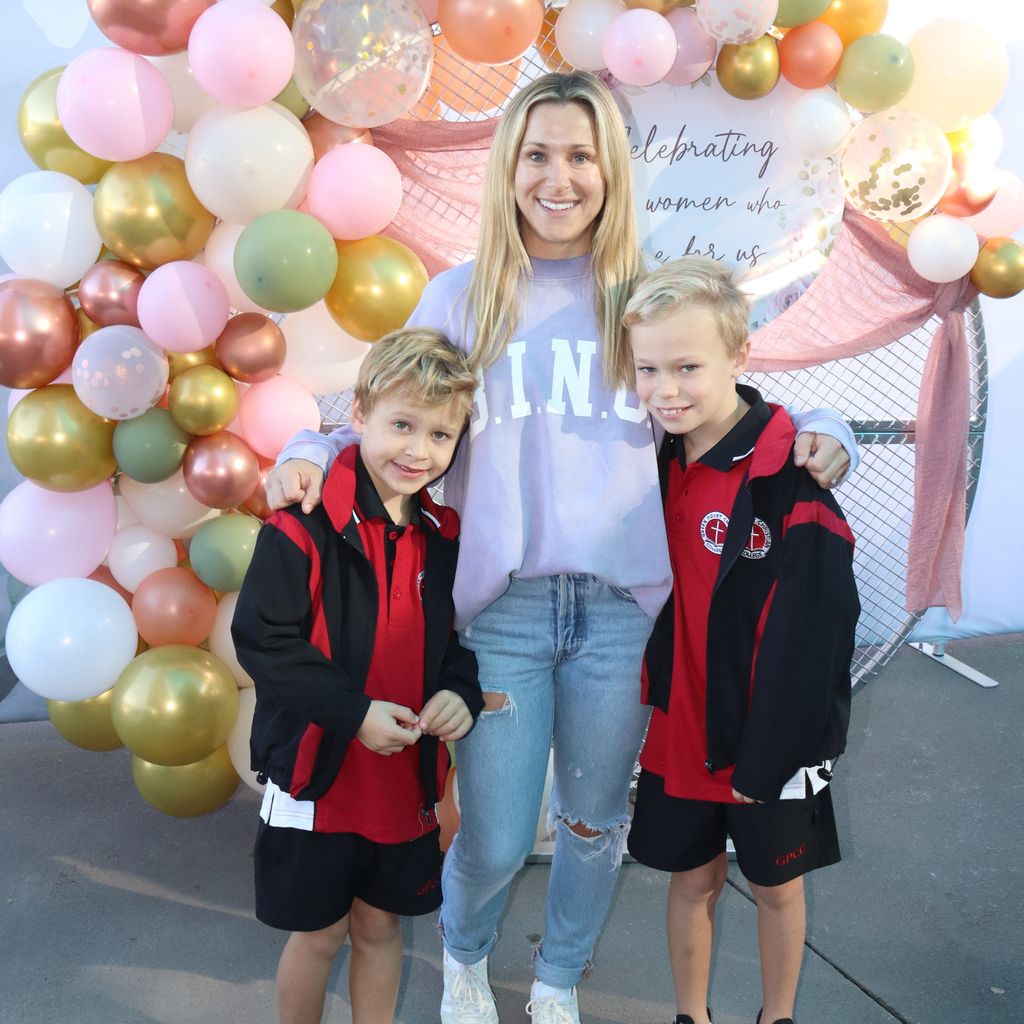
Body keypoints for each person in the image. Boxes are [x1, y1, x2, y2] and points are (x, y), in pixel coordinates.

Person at [264, 72, 857, 1024]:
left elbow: (730, 386)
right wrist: (305, 444)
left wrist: (829, 427)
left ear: (610, 169)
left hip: (621, 615)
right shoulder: (461, 298)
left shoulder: (639, 293)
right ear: (508, 167)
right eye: (537, 154)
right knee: (497, 836)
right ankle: (464, 960)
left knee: (592, 824)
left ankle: (557, 979)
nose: (559, 176)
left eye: (581, 155)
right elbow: (387, 415)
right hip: (499, 612)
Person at [623, 257, 859, 1024]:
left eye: (688, 367)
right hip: (681, 732)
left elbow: (818, 641)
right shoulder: (650, 458)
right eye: (649, 368)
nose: (666, 389)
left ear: (739, 356)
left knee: (776, 886)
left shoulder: (791, 478)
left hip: (767, 741)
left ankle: (776, 1015)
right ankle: (691, 1015)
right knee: (692, 880)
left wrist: (772, 755)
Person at [232, 327, 484, 1024]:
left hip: (402, 778)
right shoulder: (303, 524)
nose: (418, 450)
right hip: (318, 774)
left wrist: (458, 693)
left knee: (380, 926)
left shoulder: (443, 535)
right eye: (402, 424)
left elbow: (455, 645)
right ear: (360, 414)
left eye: (440, 434)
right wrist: (353, 712)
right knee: (319, 935)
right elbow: (263, 640)